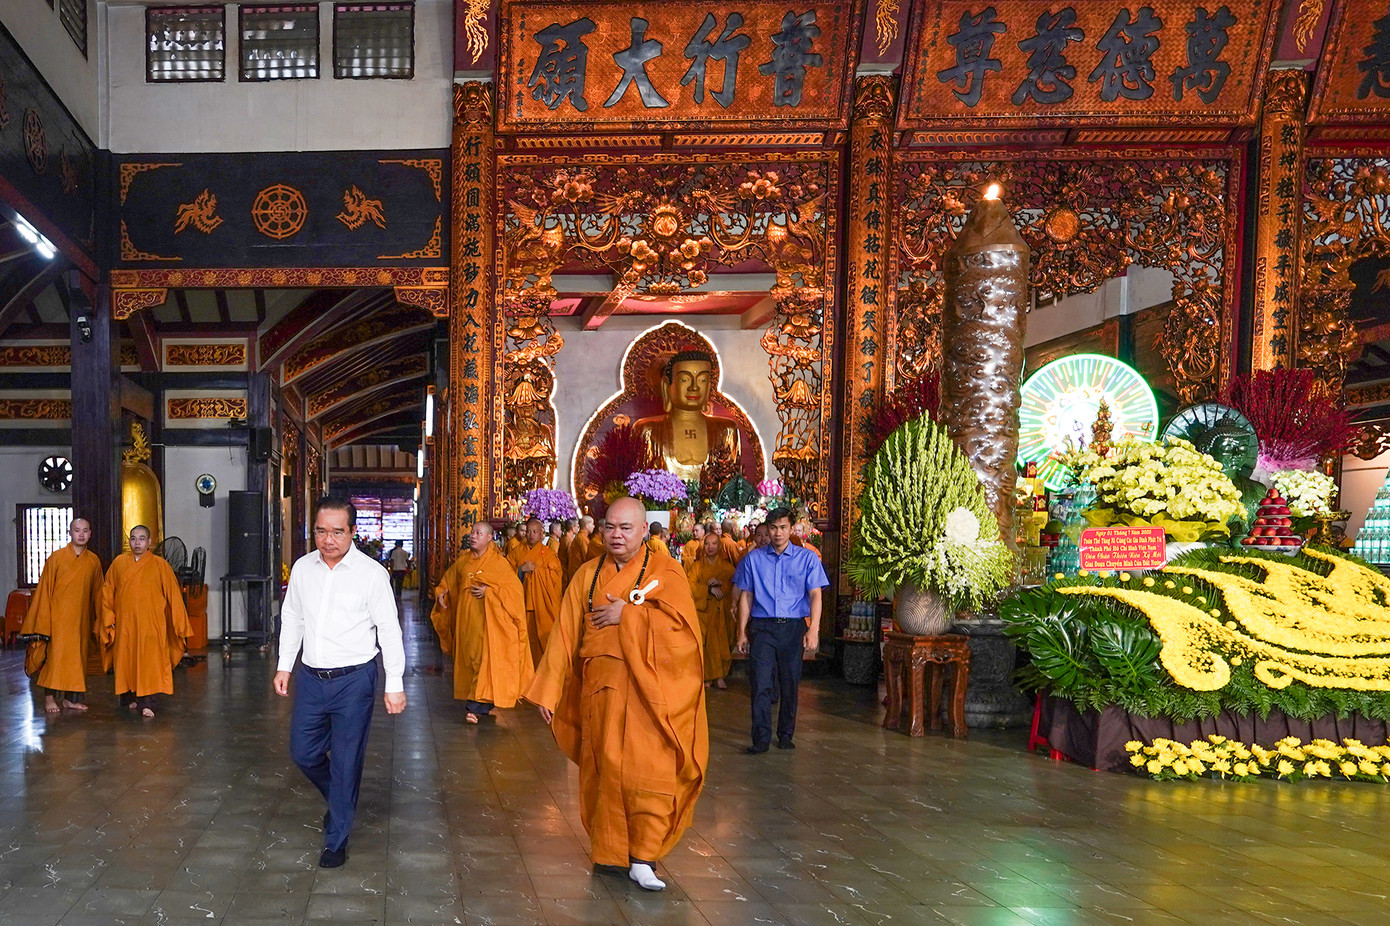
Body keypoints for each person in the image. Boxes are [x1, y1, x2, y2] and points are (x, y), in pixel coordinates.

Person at [526, 496, 707, 892]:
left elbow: (684, 634)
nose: (616, 535)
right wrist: (548, 689)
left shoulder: (666, 571)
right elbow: (564, 633)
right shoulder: (588, 575)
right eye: (610, 527)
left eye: (626, 528)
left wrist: (632, 615)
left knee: (649, 771)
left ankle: (644, 855)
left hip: (650, 694)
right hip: (602, 691)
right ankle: (609, 852)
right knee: (604, 770)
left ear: (645, 531)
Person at [274, 497, 406, 869]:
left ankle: (337, 840)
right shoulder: (303, 569)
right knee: (303, 752)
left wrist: (393, 682)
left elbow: (390, 631)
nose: (328, 539)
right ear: (312, 530)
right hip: (312, 678)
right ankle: (339, 799)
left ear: (352, 532)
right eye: (320, 531)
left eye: (336, 532)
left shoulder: (371, 574)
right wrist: (285, 666)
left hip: (354, 680)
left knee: (347, 762)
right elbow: (293, 619)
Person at [734, 507, 829, 754]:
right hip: (762, 628)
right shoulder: (754, 559)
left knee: (789, 683)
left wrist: (814, 630)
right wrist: (741, 632)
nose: (778, 533)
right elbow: (746, 595)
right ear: (767, 529)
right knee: (761, 683)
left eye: (783, 528)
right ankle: (761, 738)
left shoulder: (807, 559)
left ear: (791, 528)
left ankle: (786, 733)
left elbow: (816, 594)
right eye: (774, 528)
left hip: (793, 627)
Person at [433, 521, 531, 723]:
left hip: (489, 626)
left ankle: (474, 707)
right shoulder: (464, 561)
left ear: (489, 538)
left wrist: (490, 591)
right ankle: (482, 702)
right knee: (469, 661)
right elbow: (449, 580)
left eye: (478, 533)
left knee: (482, 662)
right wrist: (442, 593)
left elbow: (514, 591)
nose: (473, 535)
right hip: (466, 624)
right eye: (472, 532)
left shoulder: (498, 563)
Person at [101, 525, 192, 718]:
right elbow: (107, 592)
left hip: (151, 624)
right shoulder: (118, 563)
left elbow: (173, 595)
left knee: (149, 663)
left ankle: (148, 702)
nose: (137, 543)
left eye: (142, 539)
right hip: (125, 623)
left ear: (150, 542)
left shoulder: (160, 565)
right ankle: (130, 697)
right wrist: (109, 618)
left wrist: (179, 623)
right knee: (127, 660)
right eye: (133, 539)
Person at [21, 517, 104, 714]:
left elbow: (99, 593)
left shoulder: (93, 561)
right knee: (56, 659)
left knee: (77, 660)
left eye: (85, 530)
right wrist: (43, 620)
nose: (81, 534)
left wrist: (102, 619)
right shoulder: (56, 558)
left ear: (91, 534)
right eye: (77, 530)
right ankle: (49, 698)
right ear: (70, 533)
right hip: (57, 619)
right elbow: (44, 591)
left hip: (81, 620)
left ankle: (70, 699)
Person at [509, 517, 563, 666]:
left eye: (535, 532)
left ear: (541, 534)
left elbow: (556, 577)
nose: (531, 535)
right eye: (529, 531)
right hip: (521, 604)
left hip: (542, 606)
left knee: (542, 643)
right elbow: (505, 574)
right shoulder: (517, 551)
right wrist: (521, 571)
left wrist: (538, 571)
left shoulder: (549, 553)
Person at [686, 532, 735, 690]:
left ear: (719, 546)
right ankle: (706, 676)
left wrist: (721, 584)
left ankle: (720, 676)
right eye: (707, 544)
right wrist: (708, 589)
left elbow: (736, 587)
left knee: (722, 643)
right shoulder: (697, 566)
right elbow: (689, 586)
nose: (710, 547)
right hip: (703, 612)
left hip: (722, 611)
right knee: (705, 644)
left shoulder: (727, 567)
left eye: (714, 544)